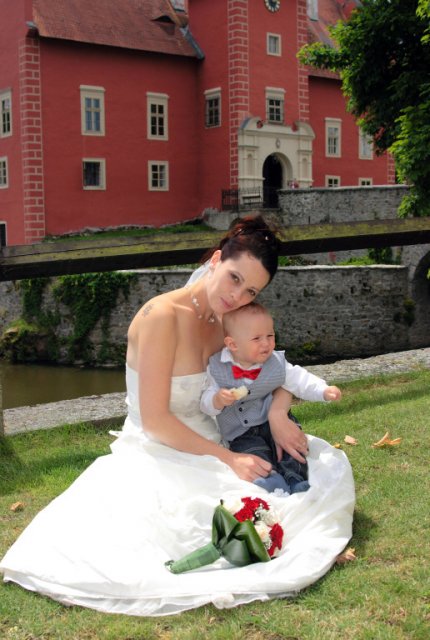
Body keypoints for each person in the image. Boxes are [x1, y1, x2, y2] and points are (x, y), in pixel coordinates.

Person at [0, 216, 355, 617]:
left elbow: (274, 369)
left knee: (312, 473)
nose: (237, 296)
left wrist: (277, 413)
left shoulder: (228, 320)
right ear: (216, 260)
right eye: (234, 278)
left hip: (220, 437)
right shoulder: (161, 317)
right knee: (216, 517)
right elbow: (155, 421)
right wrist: (229, 459)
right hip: (161, 448)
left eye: (251, 291)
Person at [201, 302, 342, 494]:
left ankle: (296, 480)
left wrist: (323, 390)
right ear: (233, 344)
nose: (266, 343)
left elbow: (300, 379)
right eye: (257, 338)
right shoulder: (217, 368)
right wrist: (217, 400)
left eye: (270, 335)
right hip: (241, 432)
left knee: (291, 451)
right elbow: (205, 402)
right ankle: (270, 481)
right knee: (254, 455)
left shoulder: (276, 362)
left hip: (271, 422)